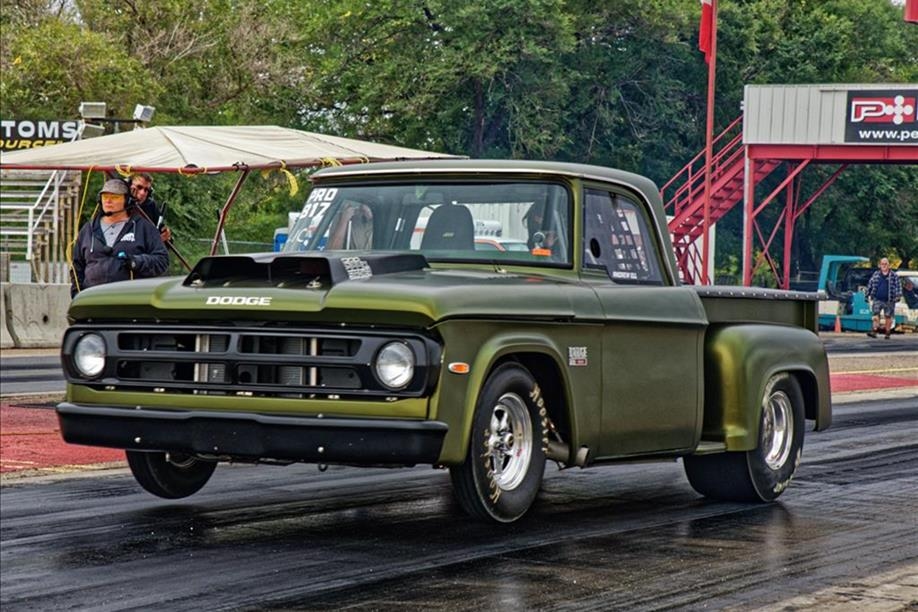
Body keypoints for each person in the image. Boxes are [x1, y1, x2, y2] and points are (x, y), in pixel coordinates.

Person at [70, 178, 169, 297]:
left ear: (127, 201)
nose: (108, 201)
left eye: (115, 197)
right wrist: (77, 296)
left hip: (129, 304)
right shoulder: (88, 229)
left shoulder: (143, 228)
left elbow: (162, 260)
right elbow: (77, 267)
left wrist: (137, 262)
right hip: (92, 303)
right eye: (105, 197)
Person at [865, 257, 902, 339]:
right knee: (875, 315)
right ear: (880, 265)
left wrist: (898, 296)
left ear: (889, 265)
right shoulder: (876, 274)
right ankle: (874, 331)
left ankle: (887, 333)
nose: (884, 265)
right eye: (882, 264)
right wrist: (867, 294)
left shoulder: (894, 275)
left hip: (890, 299)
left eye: (886, 264)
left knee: (888, 316)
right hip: (877, 298)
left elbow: (899, 286)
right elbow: (870, 284)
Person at [129, 173, 172, 242]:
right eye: (139, 187)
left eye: (146, 190)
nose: (142, 193)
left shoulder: (150, 206)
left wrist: (166, 236)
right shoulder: (117, 203)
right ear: (129, 186)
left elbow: (159, 231)